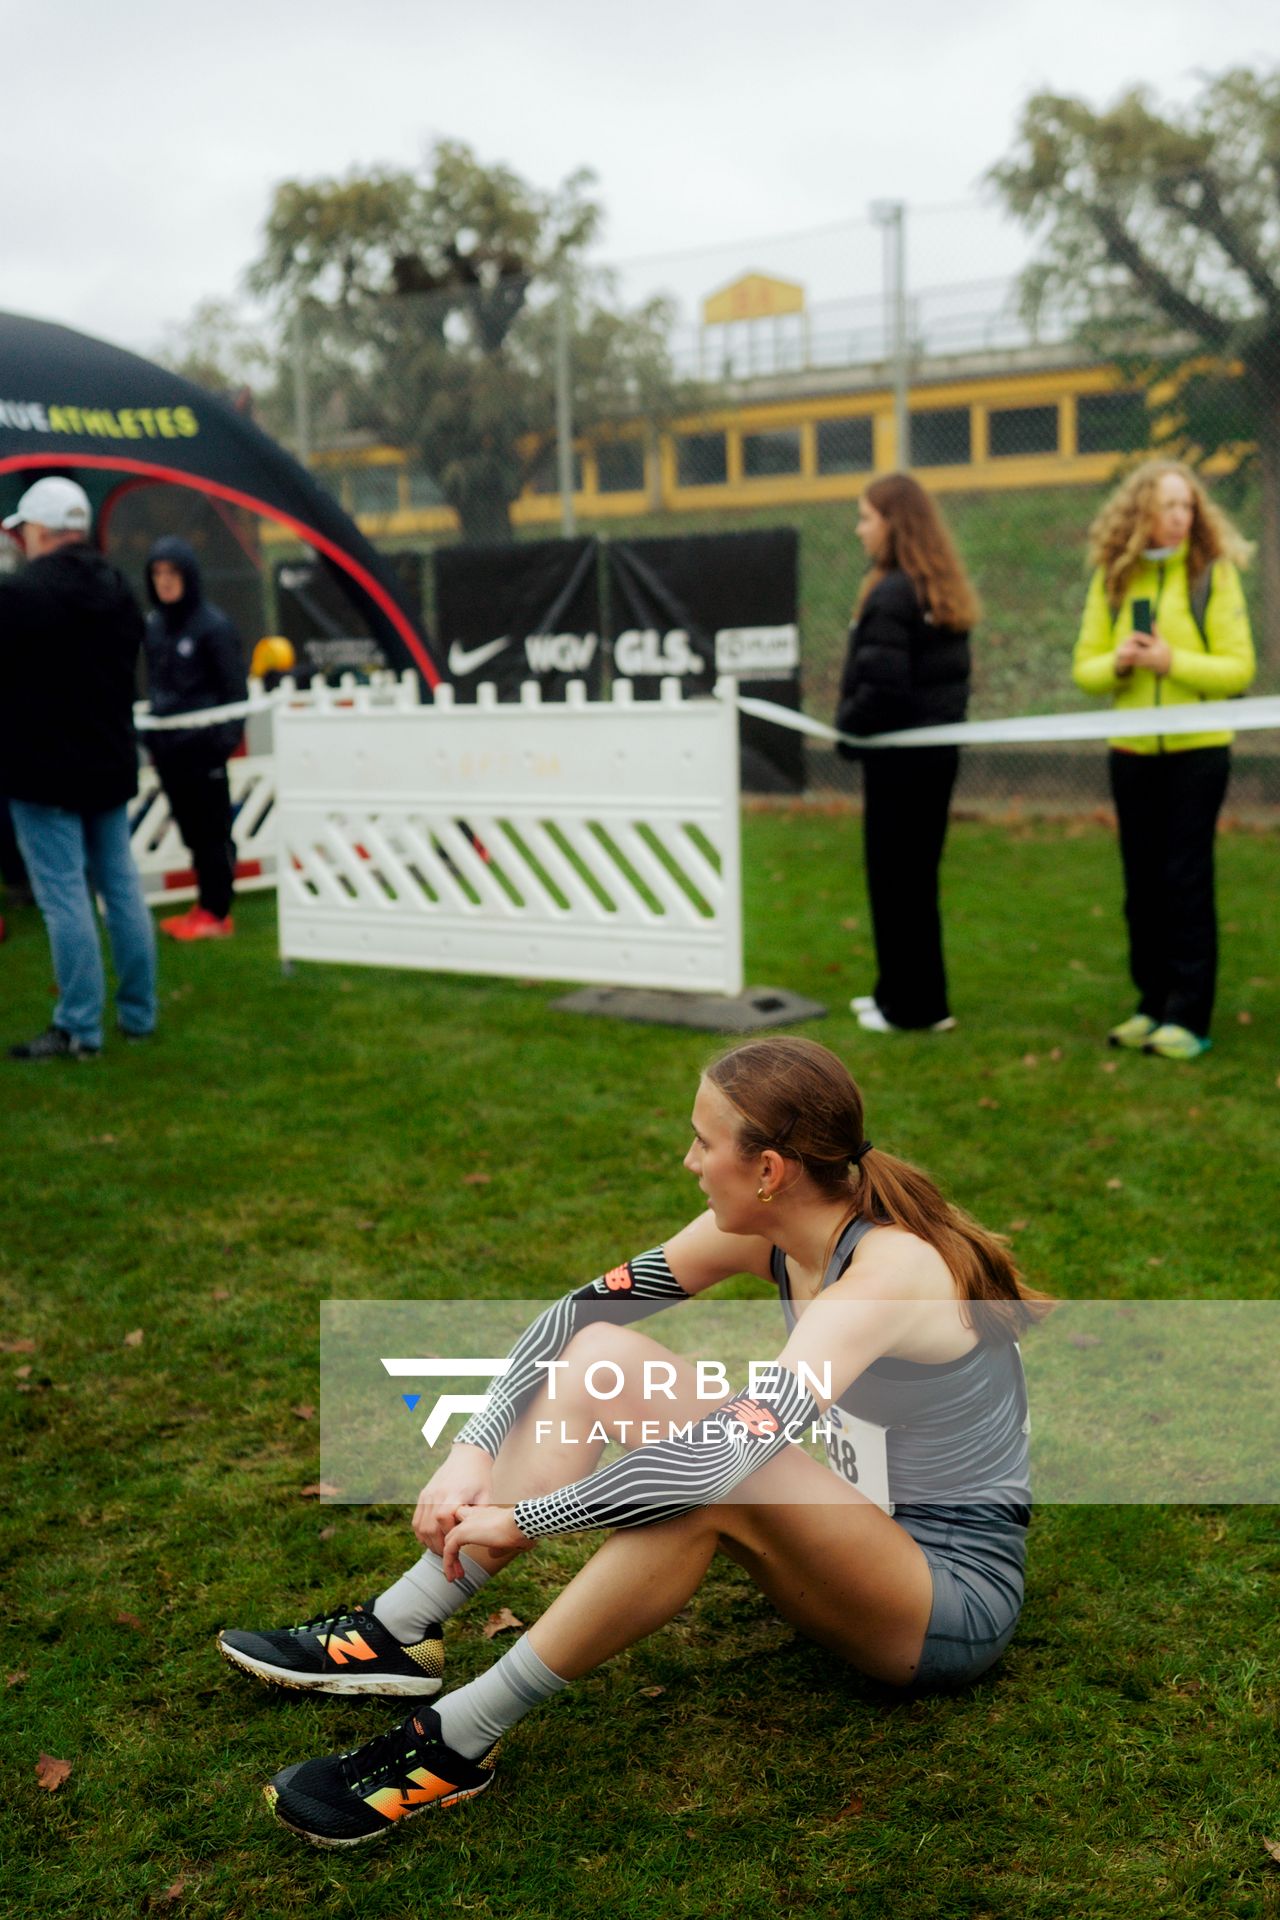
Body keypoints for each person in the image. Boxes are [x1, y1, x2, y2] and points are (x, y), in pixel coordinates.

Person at [217, 1035, 1045, 1848]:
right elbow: (578, 1312)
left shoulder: (888, 1273)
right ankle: (403, 1626)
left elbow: (725, 1456)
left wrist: (527, 1518)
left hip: (944, 1607)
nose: (689, 1160)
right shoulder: (777, 1228)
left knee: (711, 1478)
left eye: (703, 1141)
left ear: (769, 1170)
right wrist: (475, 1443)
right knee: (601, 1357)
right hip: (858, 1546)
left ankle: (454, 1739)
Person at [1073, 461, 1255, 1062]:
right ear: (1140, 513)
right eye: (1168, 505)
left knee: (1185, 881)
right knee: (1141, 886)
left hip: (1197, 755)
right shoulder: (1113, 579)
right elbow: (1086, 669)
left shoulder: (1213, 574)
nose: (1181, 516)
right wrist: (1121, 662)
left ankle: (1188, 1014)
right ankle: (1151, 1004)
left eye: (1188, 505)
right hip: (1131, 755)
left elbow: (1237, 668)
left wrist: (1171, 661)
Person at [0, 476, 157, 1060]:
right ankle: (138, 1014)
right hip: (107, 760)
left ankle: (79, 1028)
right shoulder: (117, 588)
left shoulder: (21, 593)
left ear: (39, 530)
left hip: (43, 769)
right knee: (121, 889)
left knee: (65, 899)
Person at [834, 473, 977, 1035]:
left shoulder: (893, 591)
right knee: (913, 881)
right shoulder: (931, 586)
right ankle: (905, 995)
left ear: (893, 524)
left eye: (867, 517)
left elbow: (881, 690)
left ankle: (912, 1007)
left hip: (900, 765)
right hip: (933, 760)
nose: (860, 529)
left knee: (896, 881)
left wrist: (847, 730)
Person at [142, 537, 248, 941]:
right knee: (190, 831)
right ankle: (205, 905)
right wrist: (154, 738)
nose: (165, 582)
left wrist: (220, 744)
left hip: (204, 753)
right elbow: (157, 686)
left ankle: (218, 912)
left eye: (172, 573)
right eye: (158, 574)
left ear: (189, 576)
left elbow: (234, 691)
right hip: (170, 753)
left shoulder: (213, 626)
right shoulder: (154, 626)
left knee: (212, 832)